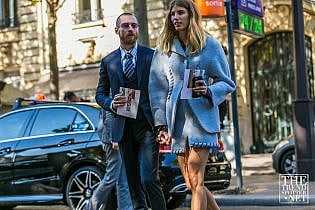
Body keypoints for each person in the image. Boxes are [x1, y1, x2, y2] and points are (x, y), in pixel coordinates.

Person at [148, 1, 236, 210]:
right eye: (172, 14)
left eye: (181, 13)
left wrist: (207, 91)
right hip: (177, 123)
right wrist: (161, 124)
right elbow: (157, 90)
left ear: (191, 15)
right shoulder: (164, 50)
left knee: (196, 179)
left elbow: (227, 83)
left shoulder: (210, 46)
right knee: (191, 182)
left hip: (202, 122)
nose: (175, 17)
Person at [95, 12, 167, 210]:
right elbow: (99, 94)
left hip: (146, 126)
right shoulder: (108, 61)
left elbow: (162, 89)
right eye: (125, 26)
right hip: (123, 128)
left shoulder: (151, 56)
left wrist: (163, 124)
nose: (130, 29)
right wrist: (111, 103)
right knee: (133, 182)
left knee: (148, 179)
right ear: (117, 30)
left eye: (134, 26)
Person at [85, 109, 133, 210]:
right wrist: (114, 137)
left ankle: (126, 208)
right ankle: (90, 207)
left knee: (122, 178)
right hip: (113, 138)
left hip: (117, 136)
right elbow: (110, 112)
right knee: (112, 176)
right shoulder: (112, 93)